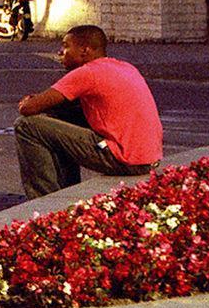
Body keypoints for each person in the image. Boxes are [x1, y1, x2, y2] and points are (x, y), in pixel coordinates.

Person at [14, 24, 163, 197]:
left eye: (66, 46)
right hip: (148, 158)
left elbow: (28, 109)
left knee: (27, 126)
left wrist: (32, 101)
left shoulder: (87, 73)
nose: (60, 52)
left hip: (124, 159)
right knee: (58, 121)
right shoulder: (124, 67)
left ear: (84, 50)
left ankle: (44, 201)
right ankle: (66, 191)